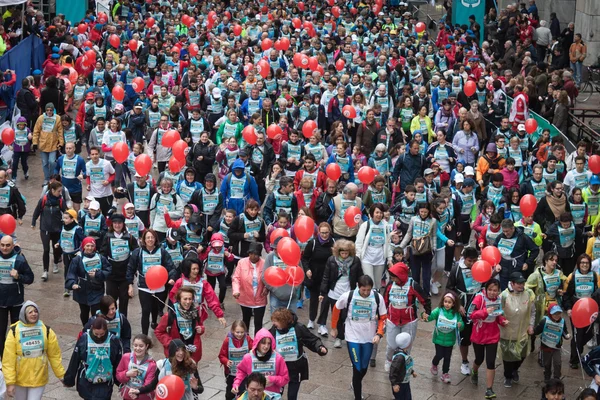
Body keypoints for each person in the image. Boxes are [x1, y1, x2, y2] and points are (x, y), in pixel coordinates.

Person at [331, 275, 387, 400]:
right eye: (363, 290)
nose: (366, 293)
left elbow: (383, 317)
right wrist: (334, 327)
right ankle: (358, 396)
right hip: (352, 335)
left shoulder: (378, 298)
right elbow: (336, 309)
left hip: (369, 336)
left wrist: (379, 334)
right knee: (357, 367)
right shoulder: (348, 296)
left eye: (368, 290)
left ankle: (354, 384)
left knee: (364, 367)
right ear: (358, 286)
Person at [2, 301, 64, 400]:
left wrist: (61, 375)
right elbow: (8, 359)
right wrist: (10, 382)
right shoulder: (14, 331)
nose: (34, 314)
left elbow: (54, 355)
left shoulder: (46, 330)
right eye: (30, 312)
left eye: (35, 311)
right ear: (24, 314)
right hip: (20, 378)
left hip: (39, 377)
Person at [268, 308, 327, 400]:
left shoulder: (298, 328)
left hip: (296, 366)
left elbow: (311, 340)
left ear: (284, 321)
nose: (273, 323)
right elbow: (265, 342)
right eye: (273, 321)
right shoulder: (273, 330)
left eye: (276, 321)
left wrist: (320, 348)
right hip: (280, 366)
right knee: (276, 393)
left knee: (292, 395)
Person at [126, 229, 176, 335]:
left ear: (155, 239)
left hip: (160, 286)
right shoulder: (137, 252)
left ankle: (154, 321)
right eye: (148, 237)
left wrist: (172, 277)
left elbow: (170, 266)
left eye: (152, 237)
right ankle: (144, 335)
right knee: (145, 310)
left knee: (155, 307)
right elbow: (130, 268)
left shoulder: (162, 251)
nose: (150, 239)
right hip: (144, 286)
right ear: (144, 239)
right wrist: (130, 285)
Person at [63, 317, 123, 400]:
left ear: (106, 330)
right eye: (96, 334)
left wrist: (121, 381)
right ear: (92, 328)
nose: (99, 337)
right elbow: (75, 359)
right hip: (87, 379)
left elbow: (118, 363)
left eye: (101, 334)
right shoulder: (84, 338)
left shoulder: (113, 340)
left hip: (105, 381)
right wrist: (69, 379)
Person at [320, 239, 363, 348]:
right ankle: (338, 338)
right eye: (342, 253)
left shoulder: (355, 261)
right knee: (336, 316)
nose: (344, 255)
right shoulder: (331, 260)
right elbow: (326, 277)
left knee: (346, 315)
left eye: (346, 253)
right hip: (334, 291)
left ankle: (346, 335)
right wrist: (322, 292)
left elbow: (360, 275)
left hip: (348, 291)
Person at [446, 247, 482, 376]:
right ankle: (465, 361)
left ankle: (478, 360)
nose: (472, 264)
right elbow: (449, 288)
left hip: (478, 304)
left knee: (479, 334)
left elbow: (486, 284)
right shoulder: (456, 269)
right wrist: (458, 304)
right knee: (464, 337)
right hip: (463, 305)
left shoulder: (481, 266)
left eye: (474, 260)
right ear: (464, 259)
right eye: (469, 261)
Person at [468, 279, 507, 399]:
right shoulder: (479, 298)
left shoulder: (498, 300)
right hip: (479, 334)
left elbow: (499, 314)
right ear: (485, 289)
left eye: (495, 290)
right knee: (479, 359)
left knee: (491, 362)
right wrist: (485, 311)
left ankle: (489, 389)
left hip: (492, 335)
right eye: (490, 290)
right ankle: (474, 371)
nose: (492, 293)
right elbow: (471, 314)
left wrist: (503, 321)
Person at [562, 253, 599, 369]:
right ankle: (574, 360)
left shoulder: (595, 276)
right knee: (578, 335)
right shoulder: (572, 276)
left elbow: (598, 293)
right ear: (578, 264)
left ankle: (577, 348)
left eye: (587, 263)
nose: (584, 265)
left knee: (589, 334)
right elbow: (566, 295)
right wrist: (568, 309)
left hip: (590, 310)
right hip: (576, 310)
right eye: (582, 263)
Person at [499, 271, 535, 388]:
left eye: (522, 283)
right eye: (518, 283)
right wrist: (501, 321)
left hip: (523, 331)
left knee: (522, 355)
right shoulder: (503, 296)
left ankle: (515, 369)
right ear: (512, 283)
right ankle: (508, 376)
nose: (521, 285)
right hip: (507, 332)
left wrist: (531, 325)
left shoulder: (528, 294)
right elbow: (497, 312)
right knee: (508, 357)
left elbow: (532, 312)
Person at [65, 236, 112, 326]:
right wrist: (72, 284)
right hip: (82, 290)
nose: (90, 248)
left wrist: (98, 274)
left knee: (96, 312)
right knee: (84, 312)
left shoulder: (100, 258)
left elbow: (108, 269)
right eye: (87, 246)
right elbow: (71, 273)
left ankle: (96, 328)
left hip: (97, 289)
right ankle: (85, 328)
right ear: (83, 246)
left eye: (92, 246)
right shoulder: (77, 259)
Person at [0, 235, 34, 357]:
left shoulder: (19, 259)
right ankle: (2, 359)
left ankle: (16, 355)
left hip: (16, 301)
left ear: (13, 246)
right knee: (1, 332)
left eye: (8, 245)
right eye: (2, 245)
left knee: (16, 331)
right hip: (1, 302)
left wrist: (18, 277)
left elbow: (30, 278)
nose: (5, 248)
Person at [421, 291, 464, 384]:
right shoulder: (438, 310)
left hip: (450, 340)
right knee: (439, 354)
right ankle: (434, 364)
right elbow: (430, 317)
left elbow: (461, 324)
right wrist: (424, 316)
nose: (447, 304)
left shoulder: (456, 314)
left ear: (453, 304)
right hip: (438, 339)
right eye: (445, 301)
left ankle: (445, 373)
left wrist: (460, 325)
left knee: (447, 357)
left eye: (449, 302)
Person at [232, 329, 290, 398]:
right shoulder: (248, 358)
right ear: (257, 343)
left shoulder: (278, 358)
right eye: (263, 343)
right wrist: (236, 384)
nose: (266, 346)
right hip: (253, 396)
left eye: (269, 343)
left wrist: (272, 379)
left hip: (271, 396)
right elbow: (241, 371)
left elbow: (285, 379)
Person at [301, 222, 335, 334]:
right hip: (314, 276)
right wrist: (307, 270)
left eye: (326, 233)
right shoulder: (313, 243)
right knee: (314, 300)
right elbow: (304, 258)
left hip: (327, 277)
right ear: (318, 232)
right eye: (322, 233)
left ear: (330, 232)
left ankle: (322, 324)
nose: (324, 235)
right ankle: (311, 319)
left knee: (325, 302)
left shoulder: (333, 243)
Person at [31, 180, 66, 281]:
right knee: (46, 249)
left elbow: (67, 212)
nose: (60, 193)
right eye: (59, 191)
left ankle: (55, 262)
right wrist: (33, 222)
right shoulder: (44, 199)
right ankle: (45, 271)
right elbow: (37, 211)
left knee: (56, 249)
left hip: (57, 229)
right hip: (45, 228)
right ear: (52, 190)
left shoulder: (60, 201)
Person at [399, 202, 437, 295]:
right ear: (418, 211)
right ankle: (415, 292)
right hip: (414, 249)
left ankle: (426, 292)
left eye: (425, 212)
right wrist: (401, 246)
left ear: (429, 211)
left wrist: (434, 248)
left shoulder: (433, 221)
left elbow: (433, 236)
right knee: (415, 273)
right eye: (421, 211)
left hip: (427, 250)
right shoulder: (413, 219)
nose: (423, 214)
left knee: (426, 273)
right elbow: (409, 233)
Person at [232, 242, 268, 333]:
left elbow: (269, 278)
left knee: (258, 323)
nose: (253, 256)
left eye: (256, 254)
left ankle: (257, 343)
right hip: (245, 298)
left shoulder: (265, 263)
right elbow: (236, 278)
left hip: (260, 298)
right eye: (251, 254)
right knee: (245, 320)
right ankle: (246, 341)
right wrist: (236, 290)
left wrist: (267, 288)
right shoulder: (241, 262)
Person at [533, 303, 570, 381]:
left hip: (557, 346)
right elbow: (537, 330)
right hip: (546, 346)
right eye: (554, 314)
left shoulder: (562, 321)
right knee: (547, 363)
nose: (557, 315)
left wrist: (567, 335)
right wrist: (532, 331)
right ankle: (547, 376)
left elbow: (564, 331)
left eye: (558, 313)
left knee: (558, 363)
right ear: (550, 313)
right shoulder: (544, 321)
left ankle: (557, 378)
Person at [219, 321, 254, 400]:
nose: (240, 334)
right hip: (231, 372)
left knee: (242, 391)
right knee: (230, 392)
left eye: (242, 332)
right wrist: (226, 361)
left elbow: (254, 347)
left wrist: (252, 351)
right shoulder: (227, 341)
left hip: (244, 372)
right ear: (232, 331)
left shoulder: (247, 339)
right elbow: (221, 355)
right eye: (237, 332)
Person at [115, 334, 157, 400]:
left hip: (143, 397)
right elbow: (118, 376)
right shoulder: (126, 357)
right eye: (135, 345)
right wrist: (127, 374)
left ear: (146, 346)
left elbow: (148, 385)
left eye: (141, 346)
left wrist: (137, 393)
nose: (137, 348)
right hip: (127, 395)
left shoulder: (152, 365)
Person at [32, 103, 63, 185]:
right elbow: (36, 131)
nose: (49, 112)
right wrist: (35, 142)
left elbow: (60, 132)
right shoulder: (41, 118)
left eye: (51, 110)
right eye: (48, 110)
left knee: (52, 161)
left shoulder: (57, 118)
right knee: (45, 162)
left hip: (53, 144)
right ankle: (46, 178)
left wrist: (61, 143)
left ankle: (52, 177)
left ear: (53, 110)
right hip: (43, 144)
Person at [389, 332, 417, 400]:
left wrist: (412, 372)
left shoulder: (404, 353)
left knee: (407, 397)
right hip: (399, 383)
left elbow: (406, 366)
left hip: (405, 381)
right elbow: (393, 371)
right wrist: (394, 384)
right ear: (407, 344)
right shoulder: (399, 358)